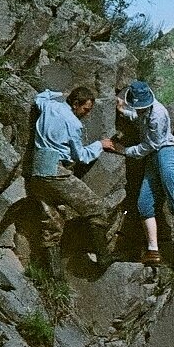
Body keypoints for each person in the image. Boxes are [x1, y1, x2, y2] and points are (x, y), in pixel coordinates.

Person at [116, 80, 174, 267]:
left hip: (165, 155)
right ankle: (153, 252)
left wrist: (124, 150)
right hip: (153, 160)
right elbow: (138, 118)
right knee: (144, 204)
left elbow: (150, 145)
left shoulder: (158, 115)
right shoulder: (145, 111)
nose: (140, 109)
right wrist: (123, 111)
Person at [30, 86, 117, 276]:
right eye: (85, 109)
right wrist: (99, 145)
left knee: (52, 221)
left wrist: (60, 93)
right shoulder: (74, 124)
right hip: (55, 171)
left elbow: (40, 97)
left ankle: (54, 275)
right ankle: (103, 257)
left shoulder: (49, 106)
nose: (86, 114)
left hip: (36, 172)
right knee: (96, 208)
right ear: (76, 104)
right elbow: (81, 156)